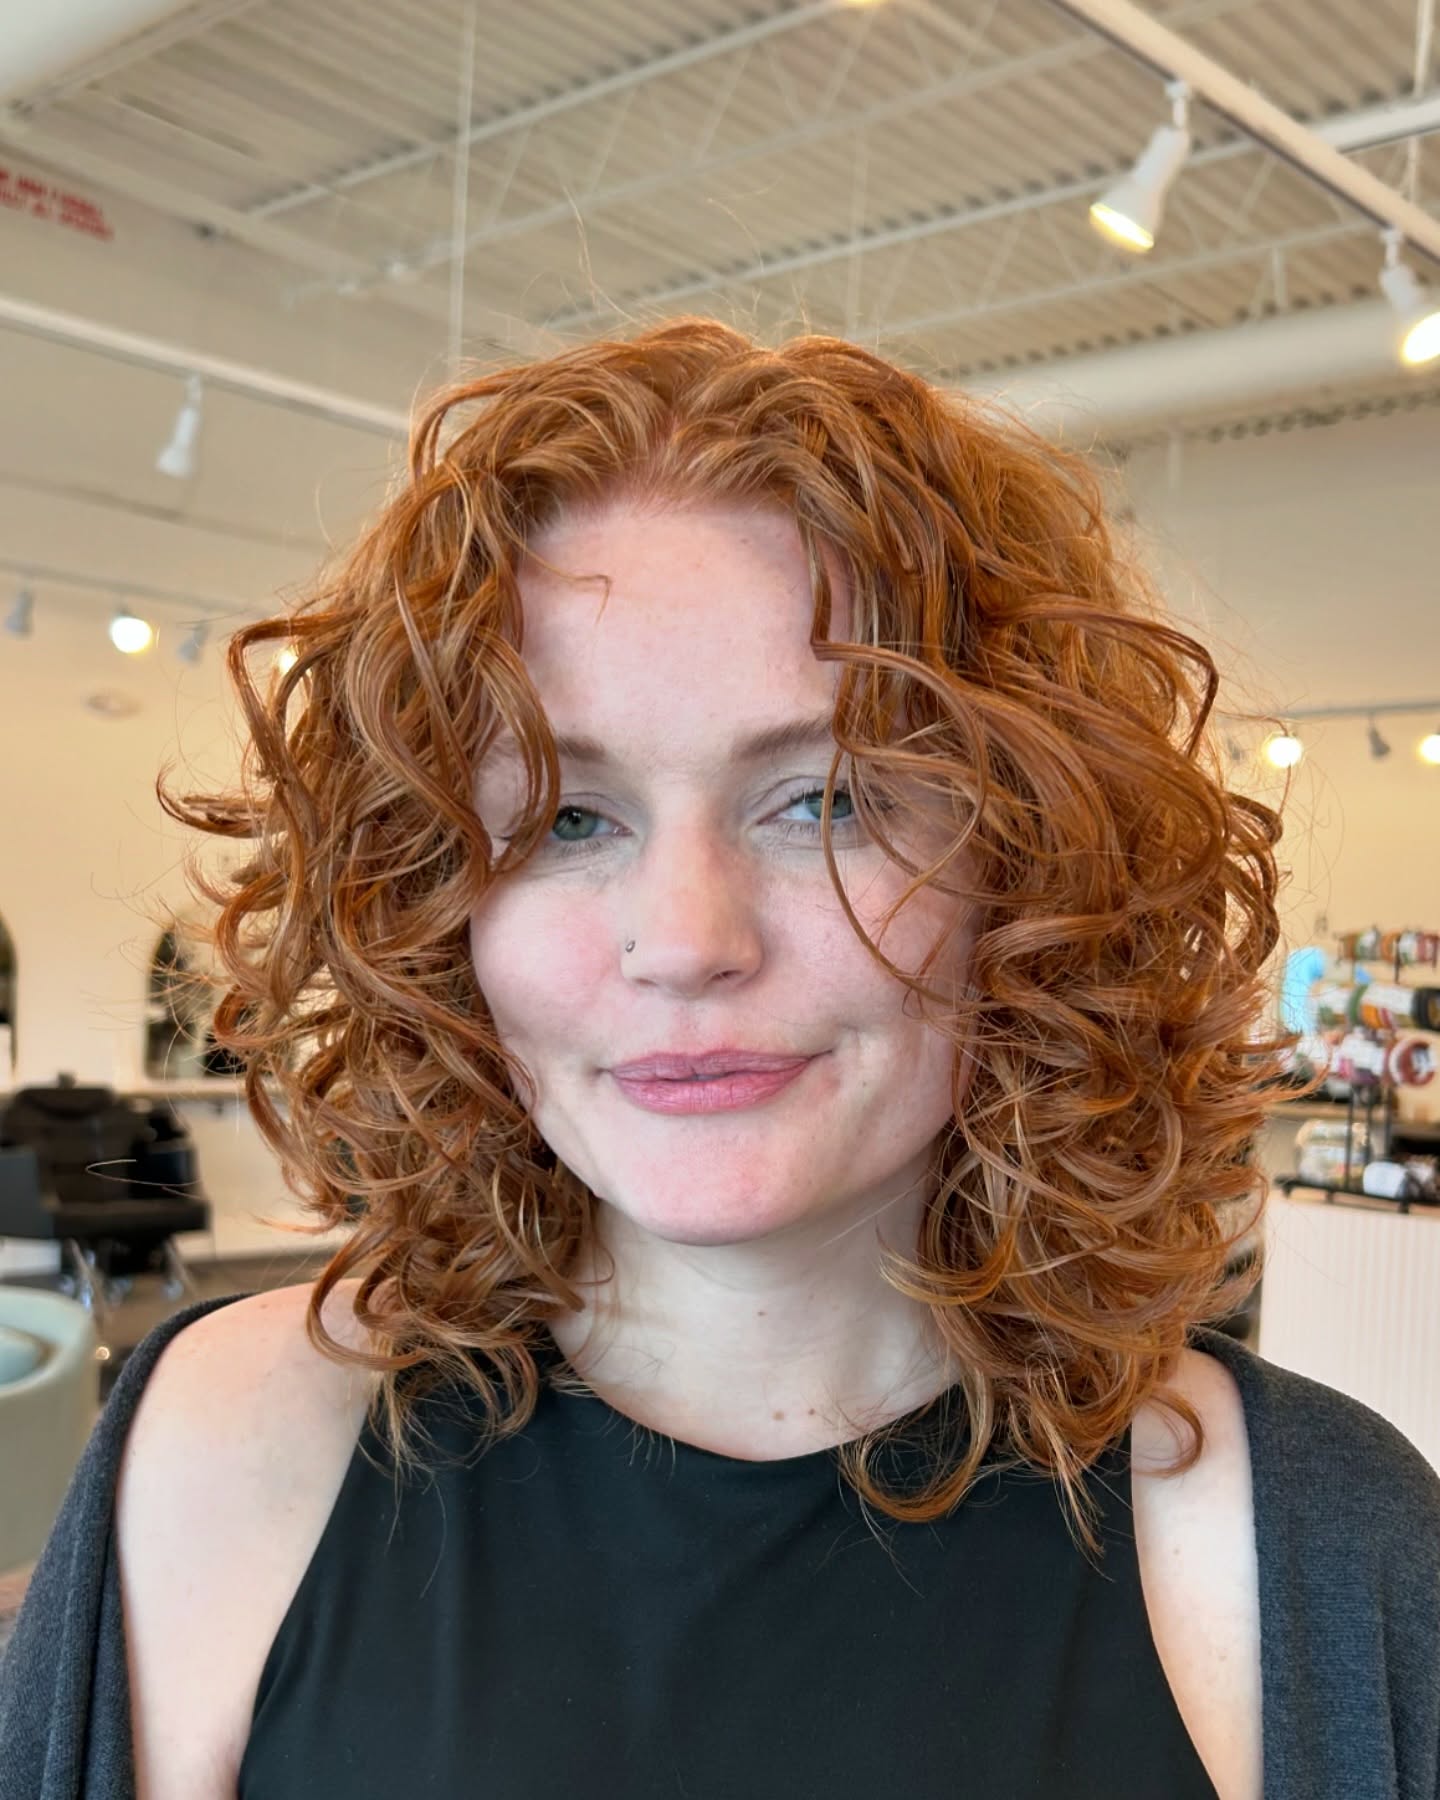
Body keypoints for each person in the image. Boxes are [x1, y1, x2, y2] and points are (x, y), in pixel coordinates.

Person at [3, 319, 1437, 1800]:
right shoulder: (222, 1454)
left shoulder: (1308, 1547)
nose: (685, 939)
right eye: (567, 818)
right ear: (438, 911)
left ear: (1029, 876)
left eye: (822, 803)